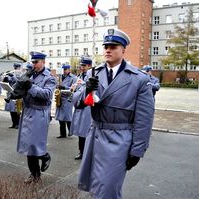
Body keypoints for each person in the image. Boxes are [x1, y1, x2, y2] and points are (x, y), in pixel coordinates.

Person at [77, 28, 155, 199]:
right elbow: (77, 102)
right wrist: (86, 91)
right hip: (95, 136)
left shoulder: (139, 79)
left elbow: (144, 119)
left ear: (123, 50)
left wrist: (137, 150)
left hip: (118, 139)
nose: (108, 50)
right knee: (96, 187)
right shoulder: (94, 73)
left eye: (113, 46)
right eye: (106, 46)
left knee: (108, 190)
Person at [16, 52, 56, 183]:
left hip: (39, 112)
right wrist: (15, 93)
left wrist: (30, 86)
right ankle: (34, 174)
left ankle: (44, 156)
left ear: (43, 62)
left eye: (36, 62)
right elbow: (22, 89)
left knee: (33, 144)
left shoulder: (49, 77)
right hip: (27, 111)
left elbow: (47, 94)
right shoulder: (30, 74)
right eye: (32, 62)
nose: (34, 64)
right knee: (28, 146)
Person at [69, 56, 92, 160]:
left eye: (84, 66)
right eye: (81, 66)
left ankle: (87, 152)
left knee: (86, 130)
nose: (82, 68)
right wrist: (73, 89)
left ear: (89, 66)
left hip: (87, 106)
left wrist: (81, 86)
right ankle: (81, 151)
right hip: (79, 105)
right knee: (80, 131)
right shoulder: (80, 76)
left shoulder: (92, 76)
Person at [55, 64, 77, 138]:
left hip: (68, 99)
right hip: (60, 98)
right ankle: (63, 134)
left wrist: (64, 87)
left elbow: (73, 89)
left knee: (67, 117)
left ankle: (70, 131)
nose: (64, 71)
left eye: (65, 69)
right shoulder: (60, 77)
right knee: (60, 118)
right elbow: (56, 85)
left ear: (68, 70)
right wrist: (57, 86)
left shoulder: (73, 78)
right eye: (63, 70)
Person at [3, 63, 22, 129]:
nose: (16, 68)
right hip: (10, 93)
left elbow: (19, 81)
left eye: (17, 67)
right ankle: (13, 123)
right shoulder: (12, 73)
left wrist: (13, 76)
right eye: (15, 67)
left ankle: (18, 124)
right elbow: (9, 81)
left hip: (17, 94)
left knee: (16, 110)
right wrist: (6, 78)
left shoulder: (21, 73)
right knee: (11, 110)